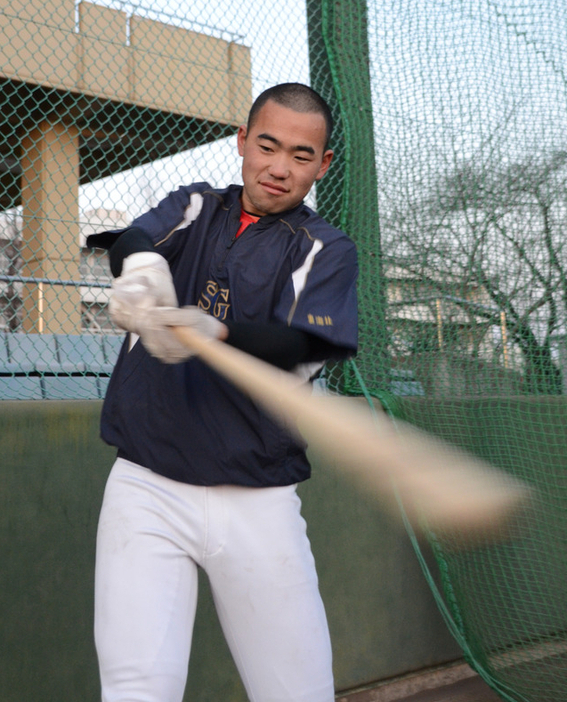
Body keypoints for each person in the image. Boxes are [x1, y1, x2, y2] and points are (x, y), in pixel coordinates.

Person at [87, 82, 358, 702]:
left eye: (300, 154)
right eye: (267, 145)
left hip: (256, 495)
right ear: (242, 141)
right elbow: (131, 238)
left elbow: (301, 344)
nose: (279, 168)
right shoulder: (196, 207)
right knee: (135, 690)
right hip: (146, 486)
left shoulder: (327, 248)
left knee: (298, 692)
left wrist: (220, 330)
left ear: (323, 164)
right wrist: (141, 269)